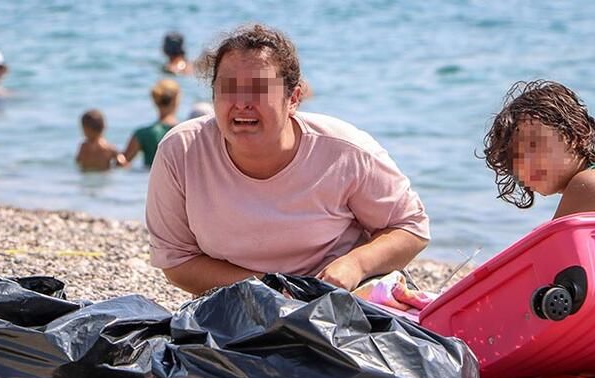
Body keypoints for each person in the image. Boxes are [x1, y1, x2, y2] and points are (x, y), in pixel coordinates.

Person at [146, 24, 429, 296]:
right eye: (228, 88)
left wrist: (356, 265)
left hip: (339, 299)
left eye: (258, 89)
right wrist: (269, 289)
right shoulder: (181, 151)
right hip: (234, 302)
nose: (241, 103)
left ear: (293, 98)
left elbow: (411, 226)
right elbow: (177, 260)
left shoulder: (346, 151)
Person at [482, 80, 595, 219]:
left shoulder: (590, 183)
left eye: (533, 145)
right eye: (514, 158)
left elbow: (551, 245)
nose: (523, 164)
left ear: (576, 134)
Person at [123, 79, 180, 168]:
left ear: (155, 101)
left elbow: (122, 162)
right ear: (176, 99)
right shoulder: (187, 132)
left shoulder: (142, 134)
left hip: (148, 176)